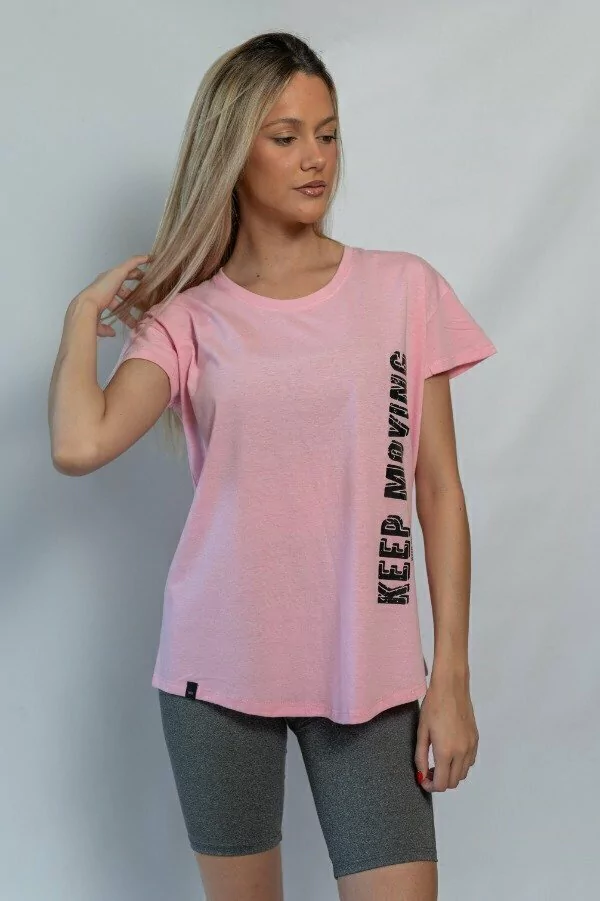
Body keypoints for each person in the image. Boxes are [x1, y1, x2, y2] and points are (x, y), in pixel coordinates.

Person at [48, 31, 497, 901]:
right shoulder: (188, 318)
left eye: (326, 134)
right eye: (284, 137)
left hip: (369, 674)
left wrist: (452, 675)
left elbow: (438, 488)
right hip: (215, 671)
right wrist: (80, 317)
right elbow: (79, 443)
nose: (314, 158)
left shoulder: (403, 289)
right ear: (231, 151)